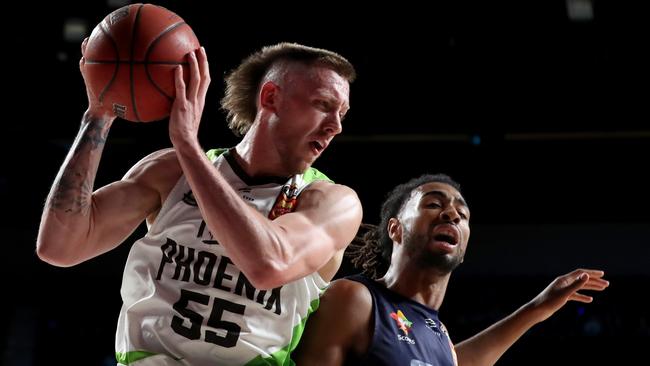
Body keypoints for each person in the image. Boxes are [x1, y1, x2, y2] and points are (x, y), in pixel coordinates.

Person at [36, 40, 362, 365]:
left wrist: (188, 146)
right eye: (322, 104)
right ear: (270, 97)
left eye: (342, 114)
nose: (336, 126)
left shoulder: (332, 202)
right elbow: (60, 247)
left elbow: (269, 265)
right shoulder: (170, 172)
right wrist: (98, 114)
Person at [292, 174, 609, 366]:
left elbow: (456, 361)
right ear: (396, 229)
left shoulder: (437, 333)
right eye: (433, 204)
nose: (452, 215)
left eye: (462, 213)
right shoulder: (355, 299)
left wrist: (538, 308)